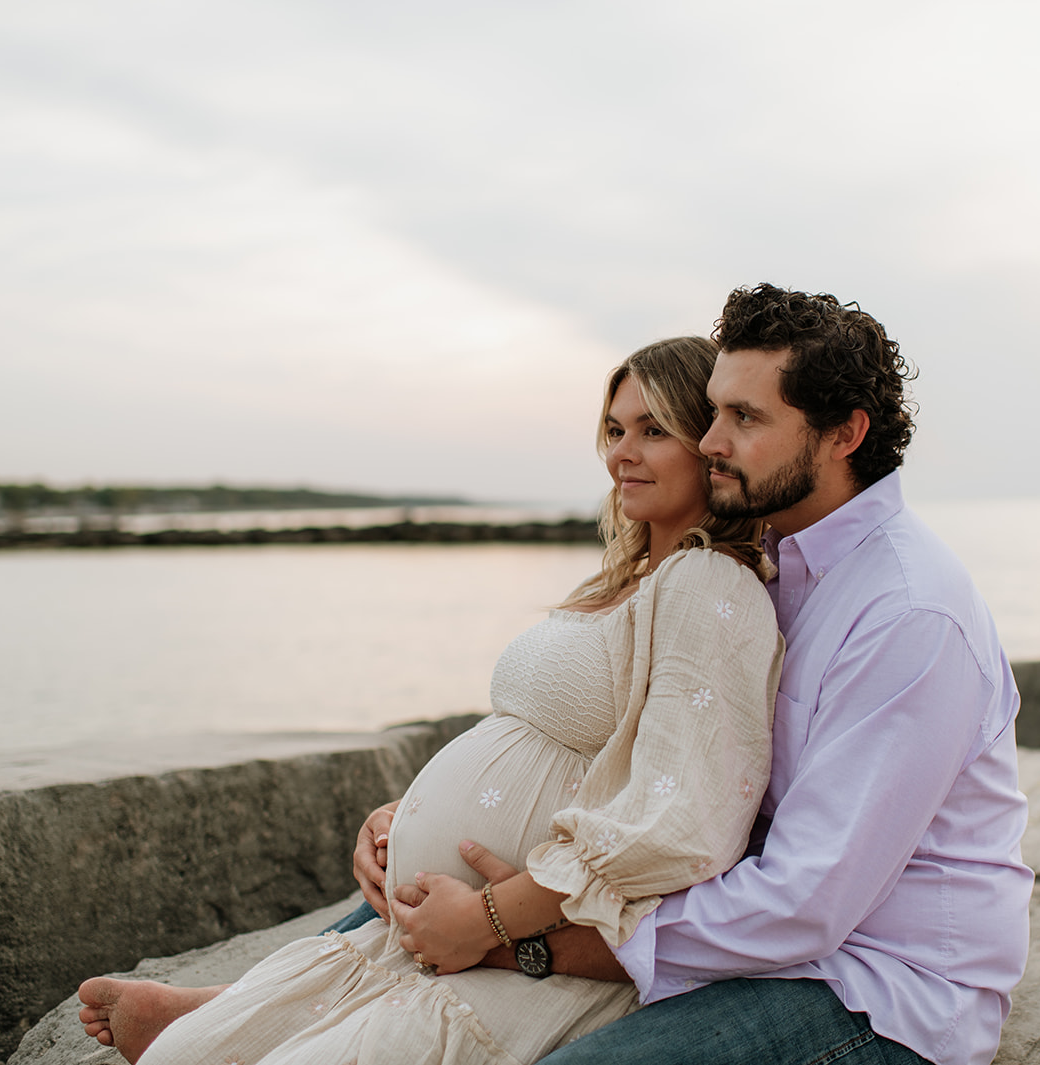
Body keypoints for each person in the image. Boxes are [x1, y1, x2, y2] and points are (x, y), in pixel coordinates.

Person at [75, 336, 784, 1065]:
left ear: (712, 445)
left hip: (516, 965)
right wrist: (402, 819)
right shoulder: (626, 578)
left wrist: (486, 915)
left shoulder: (709, 585)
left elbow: (677, 823)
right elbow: (537, 740)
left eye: (652, 429)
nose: (621, 454)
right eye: (614, 429)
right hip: (421, 937)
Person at [392, 284, 1033, 1065]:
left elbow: (805, 905)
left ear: (843, 433)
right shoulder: (761, 564)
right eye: (714, 411)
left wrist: (522, 935)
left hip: (877, 986)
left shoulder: (909, 614)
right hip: (753, 934)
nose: (710, 441)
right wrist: (421, 825)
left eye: (745, 418)